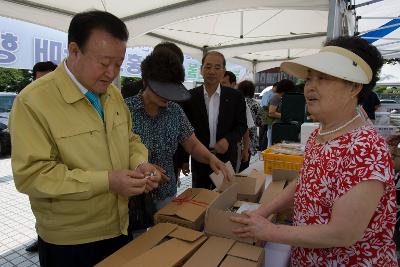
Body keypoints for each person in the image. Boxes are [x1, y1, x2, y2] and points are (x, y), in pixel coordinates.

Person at [9, 11, 162, 267]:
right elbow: (32, 176)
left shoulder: (112, 95)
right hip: (70, 241)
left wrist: (139, 164)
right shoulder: (33, 101)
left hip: (120, 226)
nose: (112, 73)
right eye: (104, 63)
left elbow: (130, 138)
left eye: (119, 63)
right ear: (74, 50)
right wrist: (108, 181)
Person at [231, 36, 397, 266]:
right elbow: (305, 182)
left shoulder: (367, 148)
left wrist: (271, 231)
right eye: (309, 78)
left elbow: (343, 233)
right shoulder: (323, 134)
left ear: (354, 87)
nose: (310, 86)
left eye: (323, 78)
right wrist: (263, 211)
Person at [125, 48, 230, 236]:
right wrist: (142, 167)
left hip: (166, 193)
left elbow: (192, 144)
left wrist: (210, 158)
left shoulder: (175, 111)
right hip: (133, 197)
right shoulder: (126, 110)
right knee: (137, 247)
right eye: (164, 90)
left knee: (167, 240)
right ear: (146, 82)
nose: (169, 96)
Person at [181, 51, 247, 189]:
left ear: (223, 71)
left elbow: (241, 125)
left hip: (226, 156)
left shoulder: (236, 96)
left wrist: (228, 139)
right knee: (200, 197)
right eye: (208, 66)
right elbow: (183, 131)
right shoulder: (189, 97)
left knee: (225, 195)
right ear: (201, 70)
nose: (212, 71)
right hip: (200, 158)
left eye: (217, 67)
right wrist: (184, 159)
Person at [24, 60, 58, 253]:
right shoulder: (28, 106)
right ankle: (40, 236)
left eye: (48, 80)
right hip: (44, 187)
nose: (43, 87)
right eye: (38, 81)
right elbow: (31, 173)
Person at [237, 80, 262, 171]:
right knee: (244, 167)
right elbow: (260, 122)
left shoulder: (236, 101)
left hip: (237, 139)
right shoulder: (256, 104)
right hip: (250, 140)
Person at [264, 79, 294, 147]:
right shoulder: (276, 97)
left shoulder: (280, 97)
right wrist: (286, 116)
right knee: (273, 146)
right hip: (274, 127)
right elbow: (271, 112)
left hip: (277, 126)